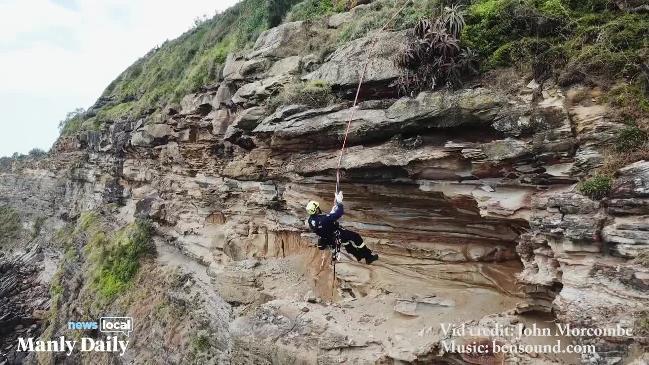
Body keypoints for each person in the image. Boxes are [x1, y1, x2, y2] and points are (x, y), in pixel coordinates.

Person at [305, 191, 379, 264]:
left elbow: (325, 221)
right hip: (337, 233)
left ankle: (358, 255)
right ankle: (368, 257)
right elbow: (339, 213)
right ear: (315, 210)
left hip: (330, 238)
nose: (319, 208)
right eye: (317, 207)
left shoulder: (311, 220)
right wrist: (340, 203)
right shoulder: (323, 220)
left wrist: (332, 212)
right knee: (356, 237)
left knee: (346, 242)